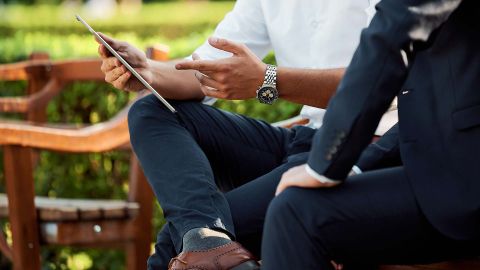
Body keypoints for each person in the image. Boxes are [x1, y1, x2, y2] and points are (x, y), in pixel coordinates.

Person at [97, 0, 395, 269]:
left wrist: (268, 80)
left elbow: (380, 80)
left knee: (172, 247)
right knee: (151, 111)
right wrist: (147, 71)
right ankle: (208, 239)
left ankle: (206, 241)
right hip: (303, 139)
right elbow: (204, 70)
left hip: (366, 147)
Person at [261, 0, 480, 269]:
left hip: (459, 175)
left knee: (293, 212)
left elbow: (391, 37)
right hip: (380, 151)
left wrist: (324, 164)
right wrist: (355, 165)